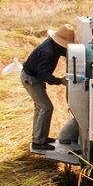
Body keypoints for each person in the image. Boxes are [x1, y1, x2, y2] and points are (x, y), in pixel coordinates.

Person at [21, 22, 76, 150]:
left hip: (32, 76)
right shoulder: (49, 52)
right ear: (61, 44)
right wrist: (60, 81)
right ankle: (39, 142)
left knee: (40, 107)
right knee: (46, 107)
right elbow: (43, 75)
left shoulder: (52, 45)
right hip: (31, 79)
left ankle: (40, 137)